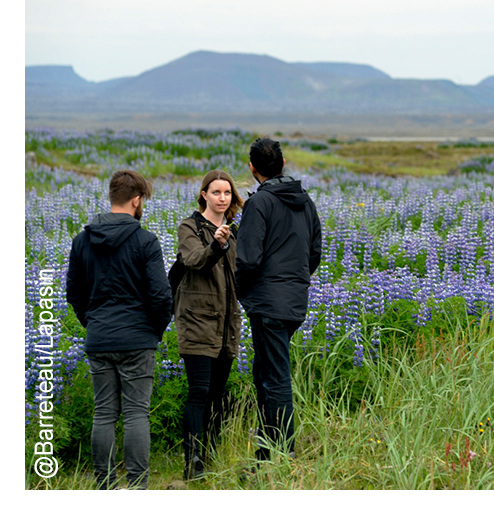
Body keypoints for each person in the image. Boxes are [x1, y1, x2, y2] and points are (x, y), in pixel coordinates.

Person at [66, 170, 172, 490]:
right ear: (136, 200)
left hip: (99, 337)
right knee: (137, 413)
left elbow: (74, 293)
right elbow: (161, 295)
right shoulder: (145, 240)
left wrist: (93, 322)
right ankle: (138, 486)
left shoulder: (82, 240)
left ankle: (105, 486)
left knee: (104, 414)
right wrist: (152, 331)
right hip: (138, 338)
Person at [235, 137, 322, 462]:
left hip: (268, 302)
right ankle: (266, 448)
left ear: (252, 168)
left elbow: (248, 259)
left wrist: (239, 289)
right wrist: (295, 281)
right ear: (283, 164)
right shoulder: (305, 200)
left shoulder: (260, 204)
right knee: (264, 371)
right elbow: (314, 252)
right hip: (294, 300)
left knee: (275, 377)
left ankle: (282, 453)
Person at [173, 170, 244, 480]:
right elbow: (194, 260)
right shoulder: (190, 227)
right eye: (216, 192)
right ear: (203, 194)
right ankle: (193, 462)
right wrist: (216, 245)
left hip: (227, 322)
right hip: (198, 320)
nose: (222, 198)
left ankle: (213, 456)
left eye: (227, 193)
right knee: (198, 392)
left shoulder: (235, 231)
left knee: (218, 393)